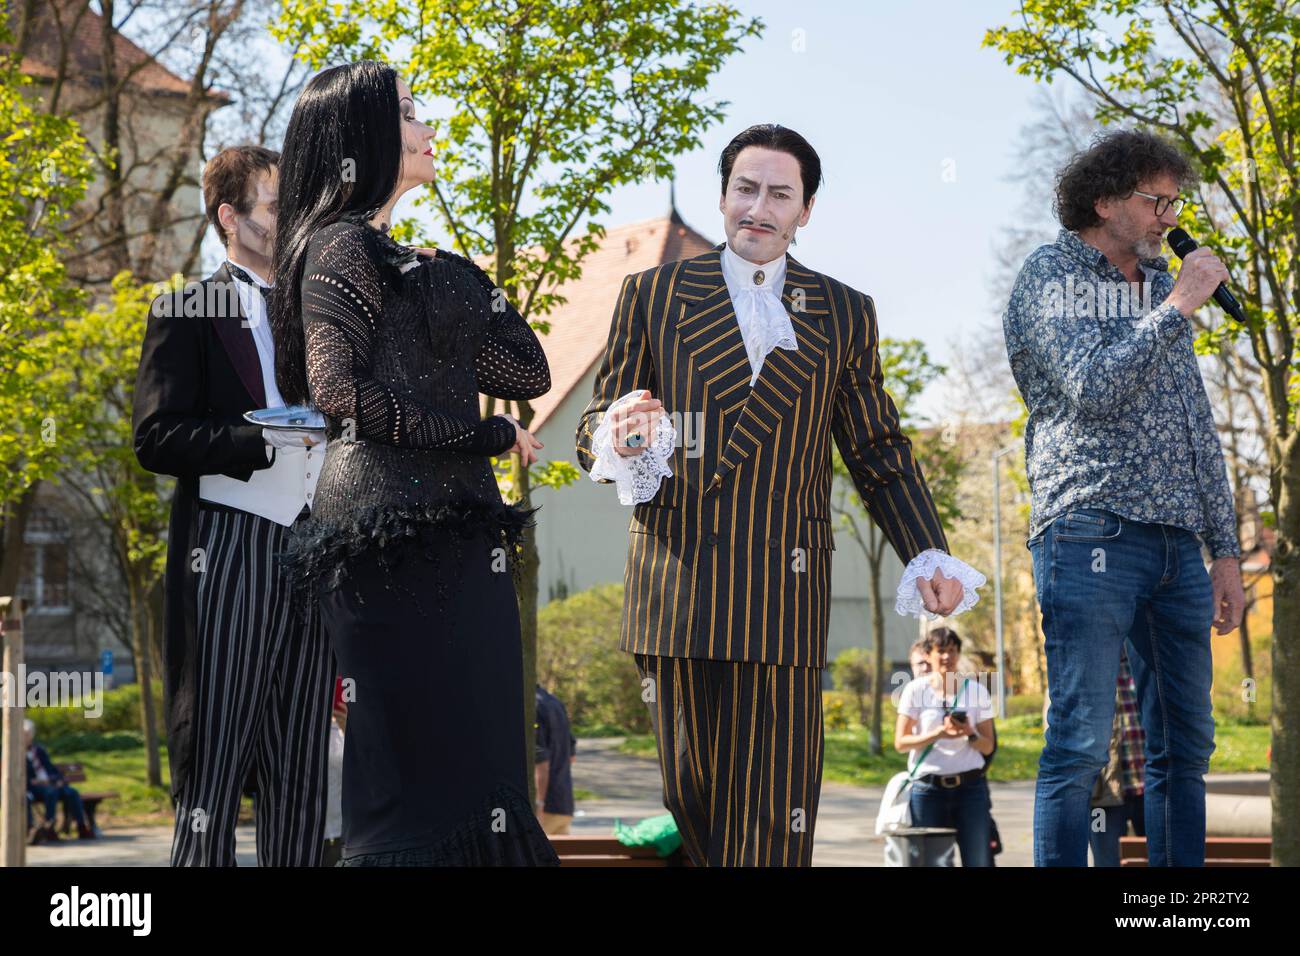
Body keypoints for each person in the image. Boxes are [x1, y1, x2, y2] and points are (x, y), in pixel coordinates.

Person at [575, 124, 983, 866]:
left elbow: (876, 448)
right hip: (678, 590)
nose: (758, 208)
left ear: (806, 210)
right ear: (724, 195)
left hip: (781, 592)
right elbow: (598, 422)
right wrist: (623, 435)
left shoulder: (844, 311)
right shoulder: (653, 295)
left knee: (774, 814)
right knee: (693, 807)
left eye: (779, 194)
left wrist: (928, 552)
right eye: (745, 189)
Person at [270, 61, 557, 866]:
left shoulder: (407, 263)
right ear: (361, 135)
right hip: (384, 545)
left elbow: (526, 370)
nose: (429, 126)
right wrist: (482, 439)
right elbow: (337, 392)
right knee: (417, 782)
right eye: (407, 112)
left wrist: (451, 272)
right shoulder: (338, 249)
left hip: (460, 539)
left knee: (487, 768)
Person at [1003, 129, 1245, 866]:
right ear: (1104, 200)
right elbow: (1093, 387)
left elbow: (1196, 429)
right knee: (1079, 741)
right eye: (1156, 201)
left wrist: (1226, 552)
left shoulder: (1153, 289)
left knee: (1184, 749)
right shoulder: (1052, 274)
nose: (1171, 217)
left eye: (1176, 202)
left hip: (1179, 549)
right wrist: (1178, 304)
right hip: (1091, 534)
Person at [133, 145, 335, 866]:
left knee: (303, 772)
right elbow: (156, 438)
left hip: (316, 549)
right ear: (231, 217)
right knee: (214, 770)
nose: (291, 218)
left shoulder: (318, 308)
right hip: (227, 550)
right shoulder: (186, 308)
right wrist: (260, 440)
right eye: (277, 206)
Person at [894, 628, 996, 866]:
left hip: (971, 790)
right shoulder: (914, 690)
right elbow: (900, 743)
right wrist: (938, 733)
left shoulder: (976, 691)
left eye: (952, 651)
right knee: (930, 862)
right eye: (941, 651)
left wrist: (970, 733)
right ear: (929, 654)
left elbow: (988, 746)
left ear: (959, 654)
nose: (947, 657)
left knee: (978, 860)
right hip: (928, 791)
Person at [1088, 651, 1146, 866]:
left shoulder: (1146, 664)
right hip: (1102, 795)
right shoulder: (1084, 670)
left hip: (1149, 790)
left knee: (1159, 858)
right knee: (1106, 861)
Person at [24, 720, 94, 841]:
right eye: (25, 734)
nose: (27, 737)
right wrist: (37, 782)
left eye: (28, 734)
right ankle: (49, 828)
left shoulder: (39, 750)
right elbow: (22, 776)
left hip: (50, 783)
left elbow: (51, 769)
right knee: (51, 792)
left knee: (72, 792)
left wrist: (57, 780)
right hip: (34, 787)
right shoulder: (16, 752)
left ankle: (81, 826)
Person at [534, 685, 577, 835]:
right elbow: (571, 756)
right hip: (564, 802)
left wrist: (539, 804)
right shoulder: (555, 702)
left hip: (545, 807)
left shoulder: (530, 706)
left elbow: (541, 763)